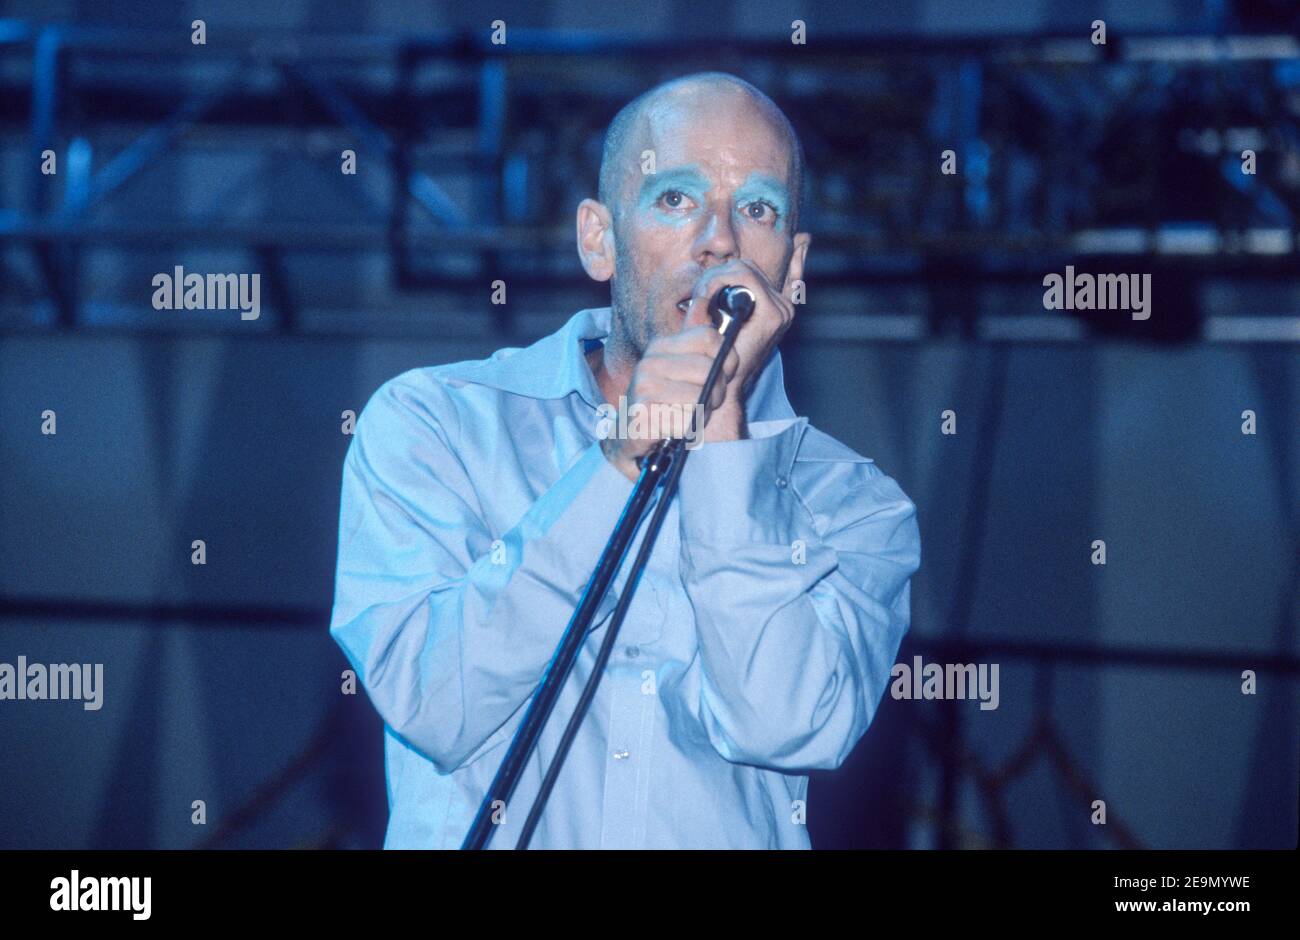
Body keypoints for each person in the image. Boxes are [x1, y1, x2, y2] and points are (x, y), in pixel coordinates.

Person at [329, 72, 921, 849]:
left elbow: (788, 728)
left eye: (758, 208)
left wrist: (721, 448)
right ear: (598, 240)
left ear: (794, 265)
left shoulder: (856, 504)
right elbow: (435, 701)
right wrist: (613, 462)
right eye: (675, 198)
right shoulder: (434, 424)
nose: (720, 239)